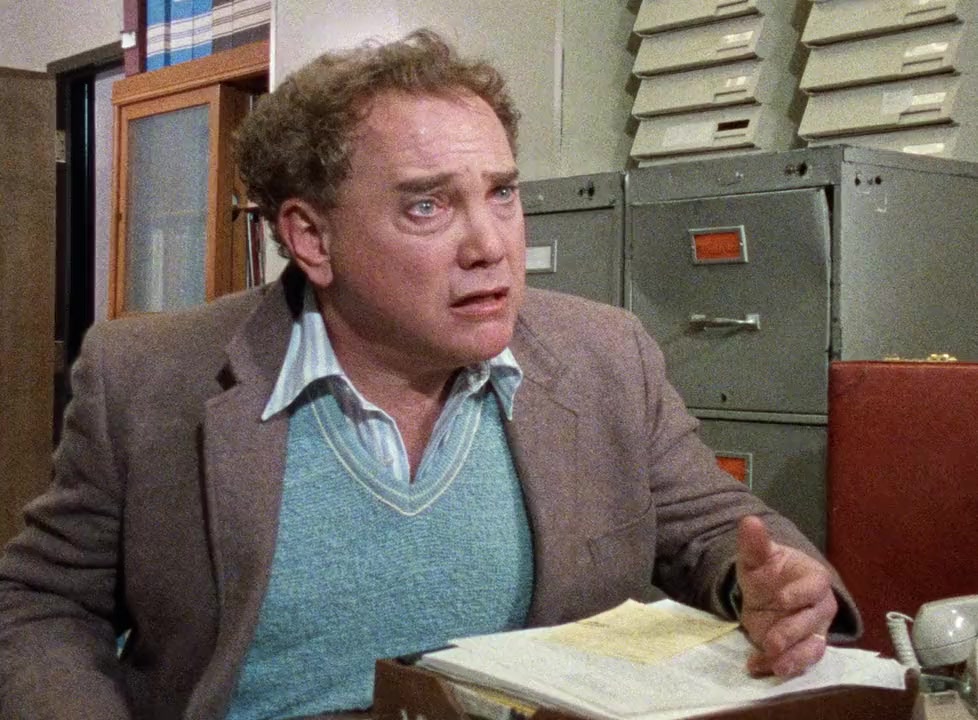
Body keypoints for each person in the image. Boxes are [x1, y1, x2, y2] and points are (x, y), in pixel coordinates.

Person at [0, 29, 859, 720]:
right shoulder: (149, 379)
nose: (491, 245)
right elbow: (41, 607)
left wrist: (772, 588)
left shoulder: (606, 357)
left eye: (503, 193)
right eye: (427, 204)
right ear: (311, 238)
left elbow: (717, 529)